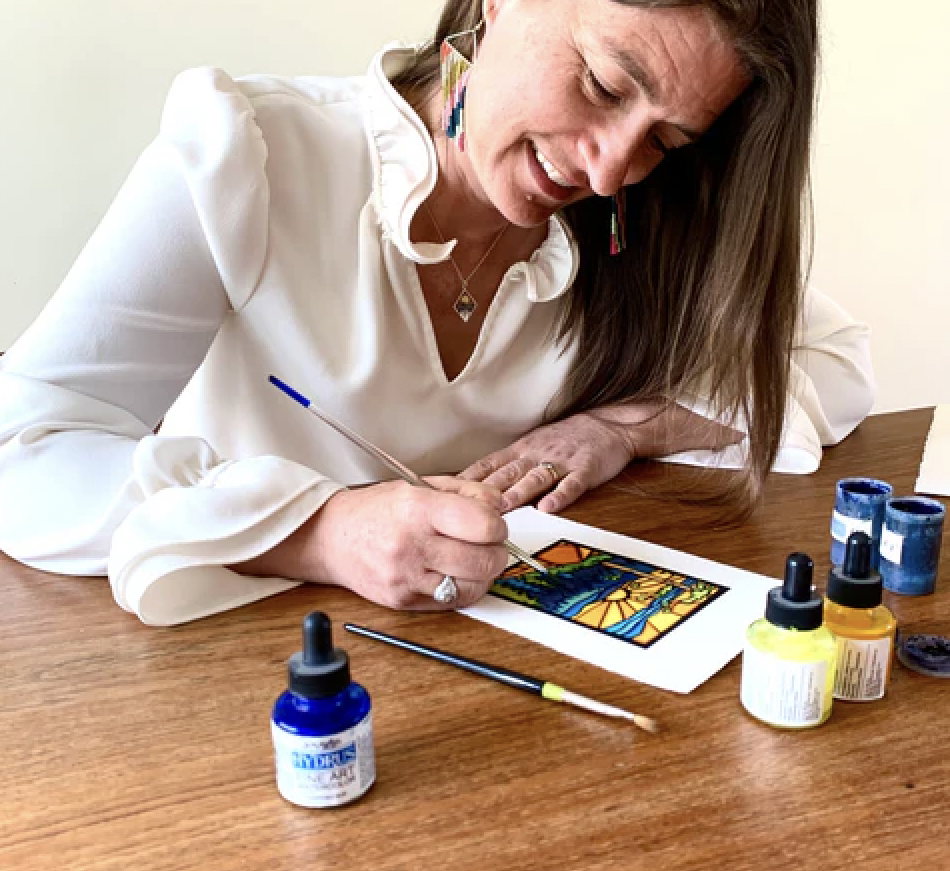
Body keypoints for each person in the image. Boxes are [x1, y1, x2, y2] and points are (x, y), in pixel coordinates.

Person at [0, 0, 874, 626]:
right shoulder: (250, 155)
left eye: (664, 139)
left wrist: (621, 428)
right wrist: (317, 532)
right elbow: (23, 451)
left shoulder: (635, 220)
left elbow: (837, 364)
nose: (610, 169)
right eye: (605, 84)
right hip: (254, 674)